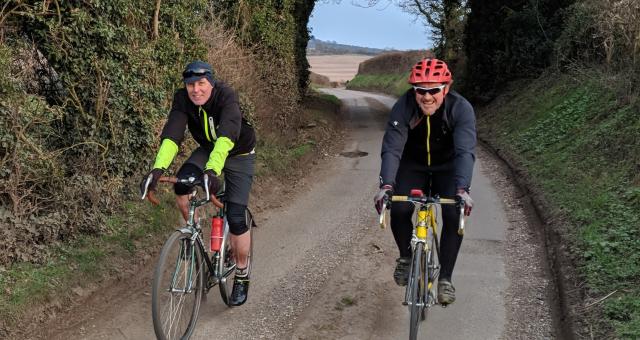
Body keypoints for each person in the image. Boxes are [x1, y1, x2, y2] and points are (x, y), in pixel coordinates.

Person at [140, 60, 256, 306]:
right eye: (190, 84)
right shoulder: (182, 99)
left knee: (235, 217)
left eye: (201, 83)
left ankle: (243, 274)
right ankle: (192, 232)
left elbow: (226, 136)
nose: (196, 90)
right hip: (207, 149)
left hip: (238, 152)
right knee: (182, 185)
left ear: (211, 84)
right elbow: (173, 135)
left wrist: (213, 170)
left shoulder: (226, 96)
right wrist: (157, 169)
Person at [374, 58, 475, 305]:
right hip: (413, 165)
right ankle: (406, 258)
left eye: (433, 90)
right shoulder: (404, 106)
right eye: (421, 90)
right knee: (399, 207)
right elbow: (392, 148)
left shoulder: (460, 109)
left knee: (453, 214)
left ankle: (446, 280)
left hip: (447, 168)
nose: (427, 97)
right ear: (414, 91)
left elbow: (465, 152)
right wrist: (386, 186)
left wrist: (463, 189)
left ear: (446, 89)